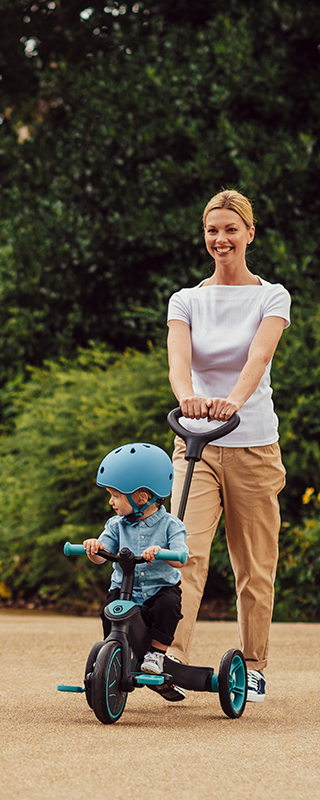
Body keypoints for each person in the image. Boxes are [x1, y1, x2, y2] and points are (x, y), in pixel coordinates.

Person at [166, 189, 290, 703]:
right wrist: (189, 398)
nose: (221, 239)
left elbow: (256, 362)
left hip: (254, 445)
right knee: (181, 553)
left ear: (249, 234)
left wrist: (231, 402)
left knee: (254, 565)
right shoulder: (186, 299)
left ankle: (254, 663)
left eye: (230, 230)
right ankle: (167, 656)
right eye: (212, 231)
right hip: (195, 443)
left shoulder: (272, 296)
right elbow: (178, 365)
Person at [83, 443, 188, 684]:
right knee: (109, 609)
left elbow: (181, 557)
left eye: (116, 495)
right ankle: (115, 650)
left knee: (169, 606)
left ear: (142, 496)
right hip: (123, 589)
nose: (111, 502)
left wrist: (163, 552)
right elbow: (101, 555)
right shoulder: (115, 524)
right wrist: (93, 548)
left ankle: (156, 653)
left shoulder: (172, 526)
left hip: (159, 589)